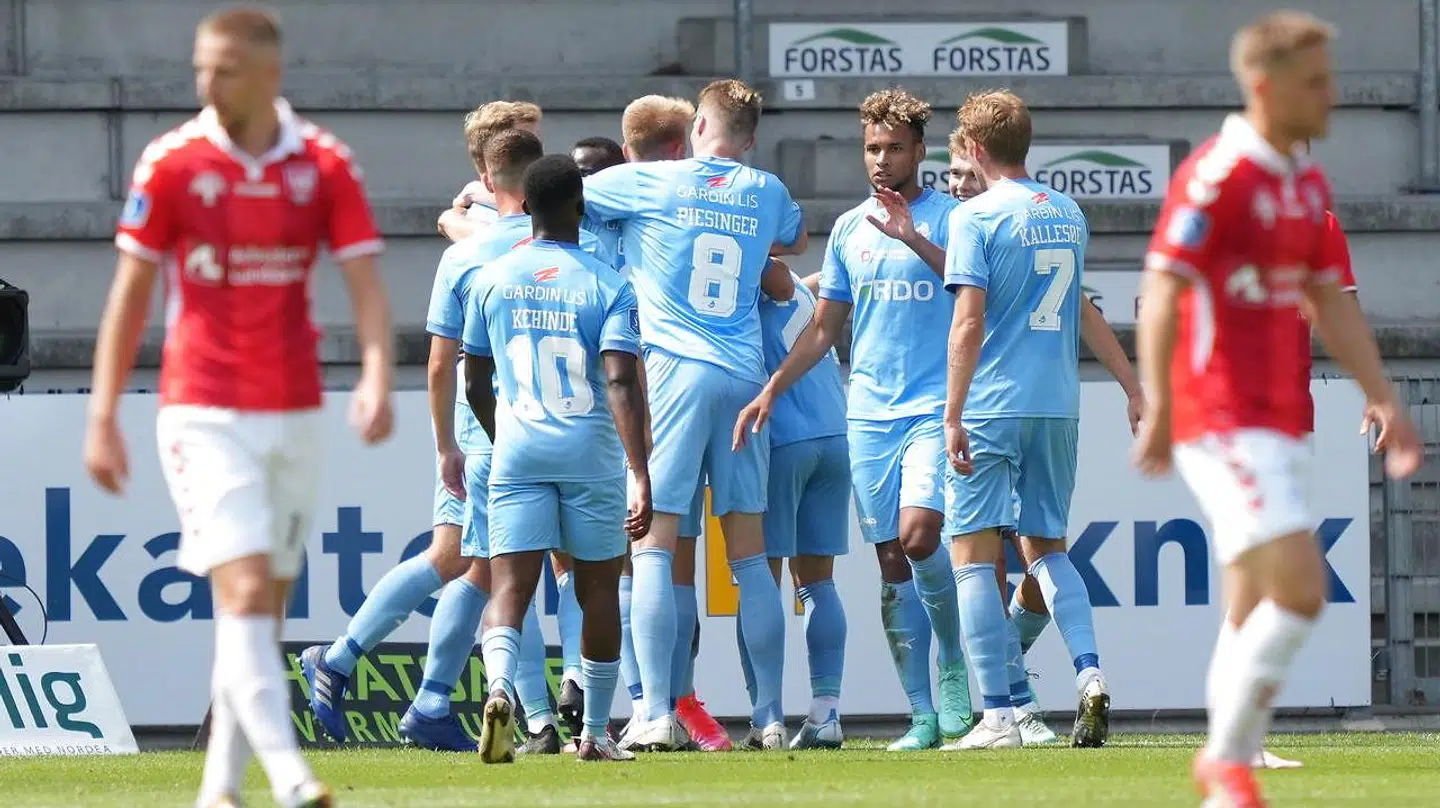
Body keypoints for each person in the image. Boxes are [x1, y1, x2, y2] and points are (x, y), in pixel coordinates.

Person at [88, 8, 394, 808]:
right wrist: (103, 413)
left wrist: (371, 373)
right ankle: (292, 780)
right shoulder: (172, 162)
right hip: (203, 408)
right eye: (201, 67)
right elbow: (130, 296)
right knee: (249, 596)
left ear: (269, 74)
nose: (205, 82)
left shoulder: (325, 163)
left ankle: (217, 791)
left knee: (258, 610)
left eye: (223, 68)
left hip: (295, 408)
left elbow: (363, 280)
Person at [1132, 12, 1422, 803]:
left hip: (1275, 419)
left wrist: (1382, 397)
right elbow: (1160, 291)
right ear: (1266, 86)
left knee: (1255, 599)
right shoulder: (1219, 175)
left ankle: (1231, 775)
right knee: (1302, 589)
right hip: (1220, 416)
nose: (1334, 94)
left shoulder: (1304, 181)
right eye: (1316, 81)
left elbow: (1331, 303)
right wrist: (1160, 405)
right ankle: (1226, 760)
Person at [736, 88, 973, 751]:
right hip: (867, 412)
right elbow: (822, 327)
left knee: (922, 535)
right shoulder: (847, 229)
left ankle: (952, 665)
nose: (882, 159)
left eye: (895, 148)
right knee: (892, 558)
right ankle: (922, 713)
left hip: (931, 407)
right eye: (873, 147)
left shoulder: (955, 220)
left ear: (920, 152)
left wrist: (914, 238)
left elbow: (975, 295)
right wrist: (775, 388)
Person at [584, 79, 806, 752]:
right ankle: (769, 716)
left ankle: (653, 711)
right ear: (751, 136)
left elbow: (571, 195)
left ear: (699, 126)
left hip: (674, 372)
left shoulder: (654, 182)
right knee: (748, 556)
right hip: (743, 376)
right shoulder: (767, 191)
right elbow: (790, 242)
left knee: (653, 545)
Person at [940, 128, 1145, 747]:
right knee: (1048, 551)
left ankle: (999, 716)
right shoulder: (1067, 211)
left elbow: (968, 320)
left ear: (974, 145)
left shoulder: (973, 215)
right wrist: (1134, 388)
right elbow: (1083, 309)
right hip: (1057, 406)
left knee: (974, 558)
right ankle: (1090, 676)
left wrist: (952, 414)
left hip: (992, 404)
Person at [466, 154, 652, 764]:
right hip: (589, 450)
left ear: (522, 206)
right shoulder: (608, 283)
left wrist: (506, 435)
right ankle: (595, 733)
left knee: (510, 586)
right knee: (597, 588)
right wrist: (641, 471)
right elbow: (621, 381)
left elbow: (474, 380)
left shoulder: (491, 278)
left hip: (517, 448)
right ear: (579, 206)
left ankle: (497, 690)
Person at [597, 94, 732, 753]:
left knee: (633, 558)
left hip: (632, 393)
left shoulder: (605, 217)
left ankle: (653, 707)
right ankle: (668, 705)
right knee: (680, 558)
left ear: (628, 157)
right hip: (693, 382)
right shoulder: (720, 202)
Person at [740, 258, 851, 749]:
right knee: (818, 583)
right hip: (835, 437)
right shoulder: (805, 292)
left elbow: (777, 277)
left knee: (760, 578)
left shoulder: (754, 291)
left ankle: (766, 716)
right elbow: (805, 281)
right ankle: (826, 713)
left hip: (783, 439)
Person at [437, 101, 544, 242]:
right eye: (526, 144)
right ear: (498, 152)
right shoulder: (477, 223)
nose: (540, 151)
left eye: (538, 142)